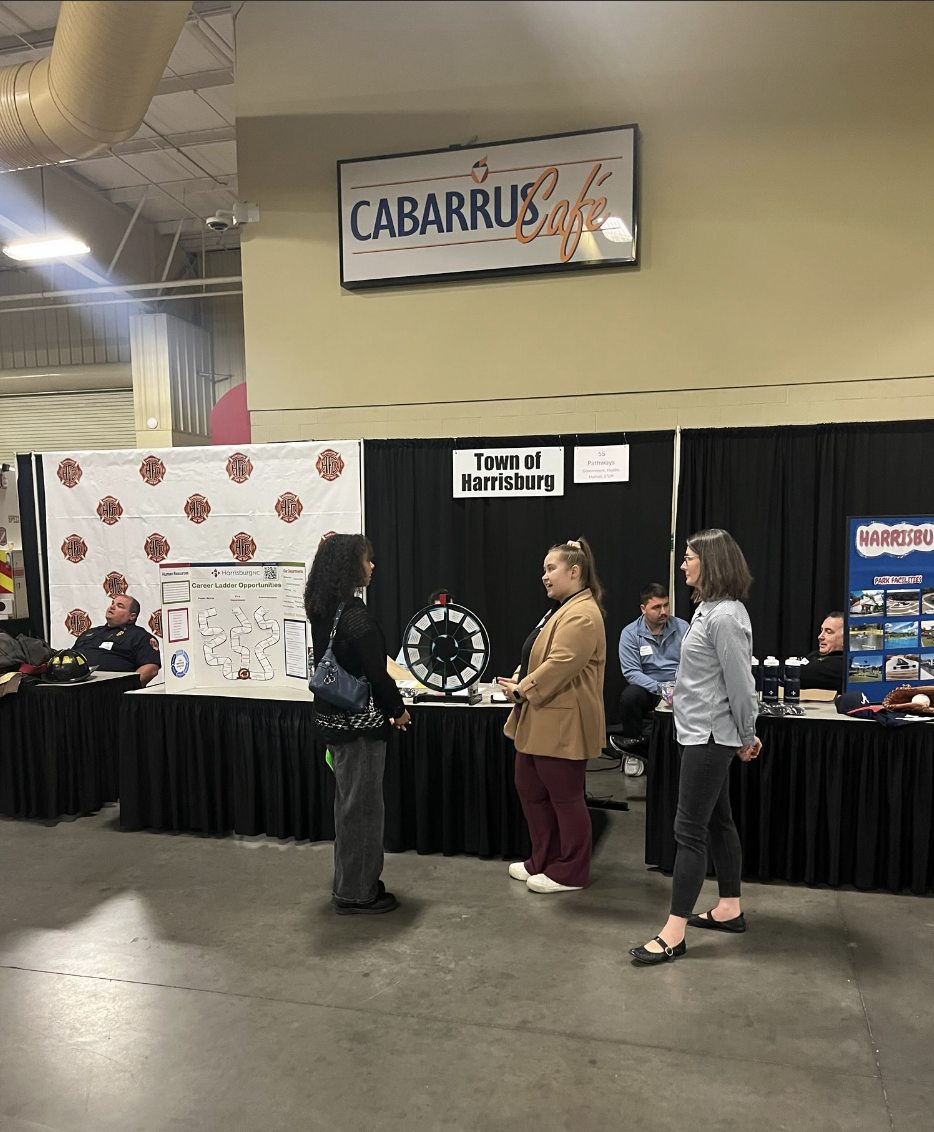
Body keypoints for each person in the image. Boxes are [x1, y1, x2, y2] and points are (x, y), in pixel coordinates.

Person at [631, 528, 761, 966]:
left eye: (688, 557)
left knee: (688, 832)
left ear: (711, 561)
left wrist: (746, 733)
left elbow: (741, 684)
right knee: (719, 821)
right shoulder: (708, 610)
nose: (682, 564)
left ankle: (674, 932)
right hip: (698, 732)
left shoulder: (725, 617)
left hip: (709, 737)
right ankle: (729, 908)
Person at [305, 533, 411, 916]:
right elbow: (378, 675)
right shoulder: (355, 615)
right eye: (367, 560)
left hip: (333, 721)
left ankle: (355, 879)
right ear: (351, 565)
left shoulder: (322, 608)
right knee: (363, 809)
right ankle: (356, 893)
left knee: (348, 805)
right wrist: (397, 711)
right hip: (359, 726)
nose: (372, 566)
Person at [496, 537, 606, 894]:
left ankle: (571, 870)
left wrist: (522, 689)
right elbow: (540, 655)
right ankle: (542, 859)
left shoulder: (583, 614)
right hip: (540, 717)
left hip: (562, 722)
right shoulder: (561, 608)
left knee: (565, 797)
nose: (544, 576)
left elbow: (561, 665)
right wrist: (519, 678)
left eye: (550, 569)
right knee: (529, 788)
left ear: (574, 572)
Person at [615, 583, 689, 751]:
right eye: (656, 607)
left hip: (680, 686)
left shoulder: (683, 628)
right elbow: (632, 672)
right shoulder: (630, 633)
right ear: (643, 608)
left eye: (666, 605)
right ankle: (634, 748)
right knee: (630, 696)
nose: (663, 612)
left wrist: (677, 687)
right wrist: (661, 689)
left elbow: (692, 663)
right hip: (650, 688)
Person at [74, 595, 161, 686]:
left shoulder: (140, 637)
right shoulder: (89, 633)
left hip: (112, 692)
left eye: (120, 606)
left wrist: (125, 688)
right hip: (75, 687)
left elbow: (151, 669)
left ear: (132, 616)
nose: (112, 607)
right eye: (113, 603)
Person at [395, 588, 452, 667]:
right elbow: (401, 666)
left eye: (449, 609)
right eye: (439, 610)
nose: (444, 614)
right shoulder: (419, 635)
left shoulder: (465, 634)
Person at [799, 612, 845, 691]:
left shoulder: (841, 665)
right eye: (821, 630)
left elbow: (801, 675)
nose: (820, 636)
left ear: (846, 638)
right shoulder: (815, 654)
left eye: (829, 632)